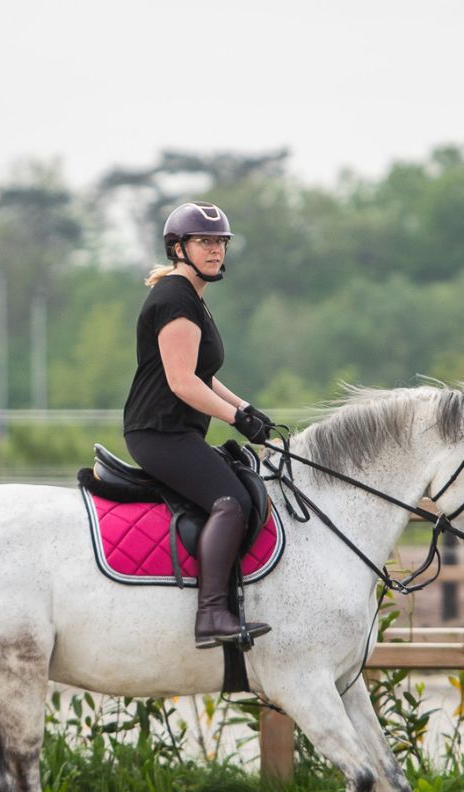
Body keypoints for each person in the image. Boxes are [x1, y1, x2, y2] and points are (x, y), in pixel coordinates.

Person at [123, 201, 276, 649]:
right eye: (205, 242)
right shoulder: (174, 299)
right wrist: (235, 418)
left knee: (241, 490)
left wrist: (246, 406)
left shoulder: (191, 298)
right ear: (178, 247)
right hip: (159, 433)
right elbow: (182, 382)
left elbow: (203, 374)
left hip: (176, 432)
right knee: (230, 501)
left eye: (221, 242)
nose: (215, 250)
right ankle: (211, 615)